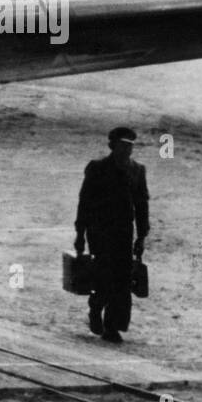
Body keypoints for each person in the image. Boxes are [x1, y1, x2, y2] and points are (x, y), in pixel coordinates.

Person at [75, 127, 149, 344]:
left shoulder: (137, 171)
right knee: (106, 276)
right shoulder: (97, 168)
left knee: (123, 281)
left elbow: (142, 205)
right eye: (123, 145)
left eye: (130, 146)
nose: (127, 149)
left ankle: (112, 327)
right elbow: (85, 203)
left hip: (124, 234)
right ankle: (96, 307)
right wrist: (80, 233)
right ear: (112, 146)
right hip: (100, 232)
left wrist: (142, 236)